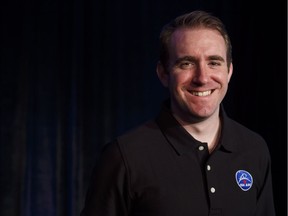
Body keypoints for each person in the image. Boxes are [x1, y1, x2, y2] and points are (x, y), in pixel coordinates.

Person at [80, 10, 276, 216]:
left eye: (214, 63)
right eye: (187, 63)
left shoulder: (254, 149)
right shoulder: (125, 157)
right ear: (163, 74)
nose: (202, 77)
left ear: (229, 71)